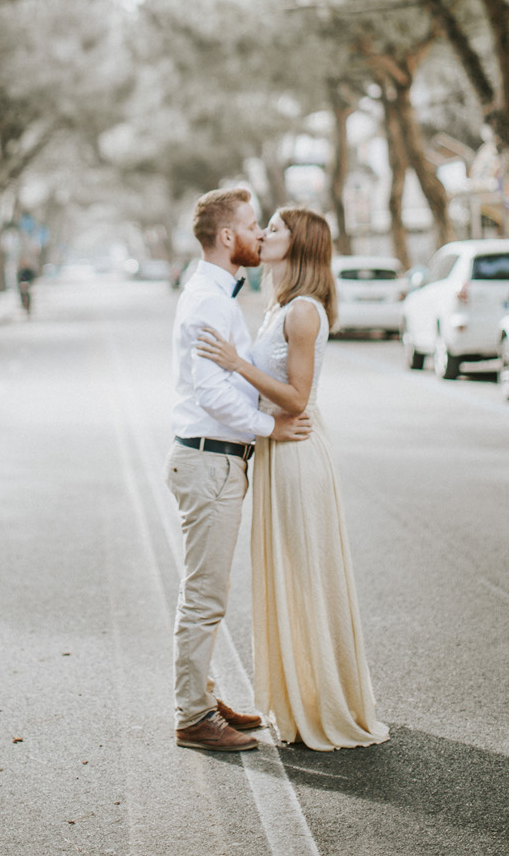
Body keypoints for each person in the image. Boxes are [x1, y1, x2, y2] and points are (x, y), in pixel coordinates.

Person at [197, 206, 390, 751]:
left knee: (304, 574)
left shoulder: (303, 311)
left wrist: (237, 365)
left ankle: (326, 702)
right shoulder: (277, 304)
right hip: (276, 447)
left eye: (275, 229)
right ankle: (301, 696)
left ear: (299, 244)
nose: (263, 234)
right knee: (287, 574)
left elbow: (298, 397)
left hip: (296, 450)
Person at [166, 188, 313, 753]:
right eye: (253, 226)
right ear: (228, 237)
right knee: (204, 595)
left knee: (209, 589)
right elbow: (210, 392)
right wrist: (270, 426)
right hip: (208, 460)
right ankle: (193, 715)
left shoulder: (216, 296)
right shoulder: (209, 302)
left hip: (215, 462)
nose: (258, 235)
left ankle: (200, 694)